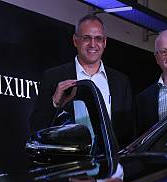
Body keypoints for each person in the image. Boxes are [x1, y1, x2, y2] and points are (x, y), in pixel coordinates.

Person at [29, 14, 133, 148]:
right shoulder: (54, 76)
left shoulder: (121, 82)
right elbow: (36, 127)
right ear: (75, 40)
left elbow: (129, 134)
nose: (93, 44)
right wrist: (54, 103)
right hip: (68, 164)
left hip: (109, 164)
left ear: (105, 42)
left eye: (98, 39)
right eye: (86, 38)